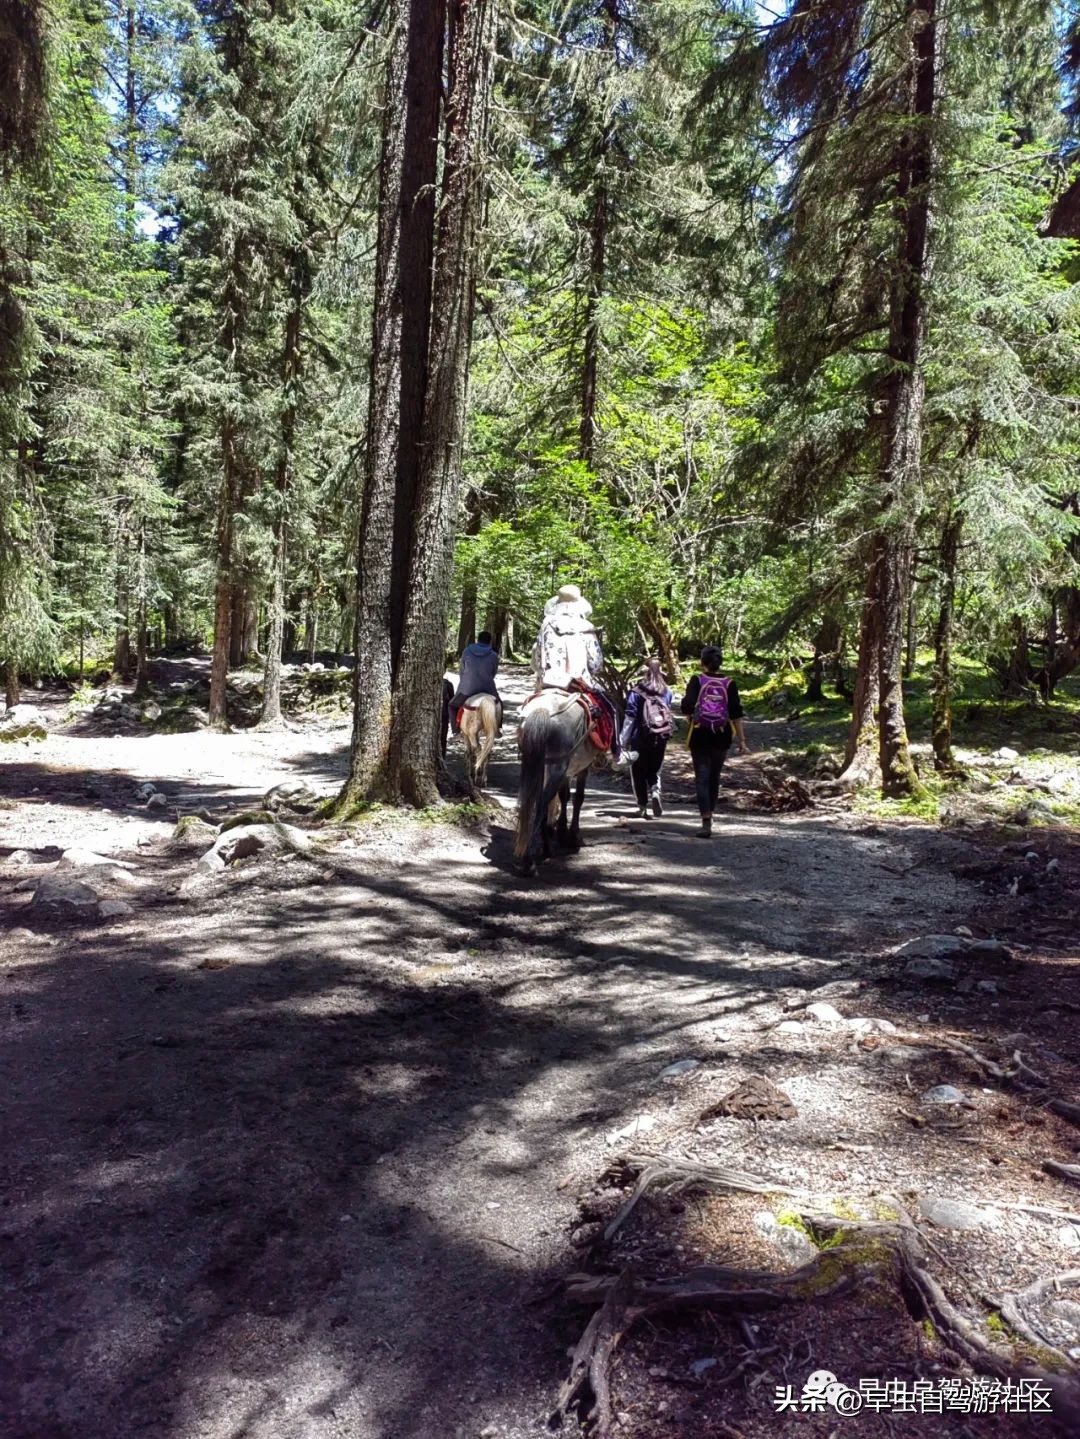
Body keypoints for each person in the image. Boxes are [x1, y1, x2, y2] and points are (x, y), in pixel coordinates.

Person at [532, 584, 633, 765]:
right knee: (610, 707)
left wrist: (542, 671)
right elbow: (596, 664)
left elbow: (537, 657)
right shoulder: (586, 627)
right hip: (580, 682)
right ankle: (616, 753)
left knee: (529, 707)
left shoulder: (546, 625)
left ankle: (524, 748)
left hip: (550, 682)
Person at [680, 644, 749, 837]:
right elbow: (736, 713)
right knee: (714, 777)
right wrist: (742, 741)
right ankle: (711, 812)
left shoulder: (697, 680)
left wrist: (690, 717)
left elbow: (686, 706)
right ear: (720, 663)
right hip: (722, 734)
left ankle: (706, 820)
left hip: (700, 734)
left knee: (701, 777)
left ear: (702, 662)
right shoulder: (729, 683)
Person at [620, 657, 674, 818]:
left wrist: (622, 742)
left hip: (639, 737)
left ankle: (642, 806)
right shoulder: (667, 692)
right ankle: (655, 791)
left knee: (638, 771)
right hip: (661, 736)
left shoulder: (636, 692)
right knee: (655, 770)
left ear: (645, 673)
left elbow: (630, 717)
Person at [449, 630, 502, 735]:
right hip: (487, 688)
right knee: (499, 704)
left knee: (451, 705)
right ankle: (497, 728)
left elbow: (462, 671)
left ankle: (456, 732)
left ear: (478, 639)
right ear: (490, 641)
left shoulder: (466, 651)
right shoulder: (493, 655)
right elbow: (493, 673)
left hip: (467, 689)